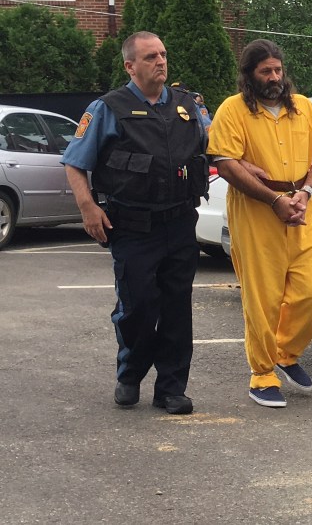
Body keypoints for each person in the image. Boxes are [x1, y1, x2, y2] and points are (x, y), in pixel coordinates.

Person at [62, 31, 210, 415]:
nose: (160, 61)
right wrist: (88, 208)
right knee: (139, 306)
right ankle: (130, 375)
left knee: (177, 308)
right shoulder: (108, 108)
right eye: (150, 57)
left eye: (163, 54)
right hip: (131, 227)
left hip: (179, 223)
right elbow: (76, 163)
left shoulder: (188, 106)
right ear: (130, 65)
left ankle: (171, 388)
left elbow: (218, 151)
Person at [206, 39, 312, 409]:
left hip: (301, 206)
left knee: (311, 294)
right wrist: (273, 199)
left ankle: (285, 353)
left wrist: (305, 192)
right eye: (265, 72)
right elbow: (225, 163)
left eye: (278, 70)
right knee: (263, 298)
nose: (274, 77)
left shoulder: (303, 108)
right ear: (249, 76)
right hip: (257, 210)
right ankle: (262, 374)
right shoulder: (233, 110)